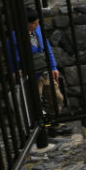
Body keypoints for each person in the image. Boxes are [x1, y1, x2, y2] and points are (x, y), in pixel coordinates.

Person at [20, 8, 68, 136]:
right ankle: (39, 130)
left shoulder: (38, 30)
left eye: (37, 22)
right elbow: (16, 56)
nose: (36, 25)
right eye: (33, 23)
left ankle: (54, 123)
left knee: (57, 97)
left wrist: (53, 67)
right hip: (32, 74)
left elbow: (47, 48)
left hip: (45, 70)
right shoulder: (17, 36)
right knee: (34, 102)